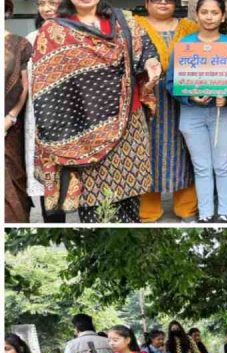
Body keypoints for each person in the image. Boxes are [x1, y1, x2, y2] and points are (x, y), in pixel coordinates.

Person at [32, 0, 161, 223]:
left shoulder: (124, 21)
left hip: (130, 122)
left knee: (131, 195)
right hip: (85, 131)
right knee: (96, 202)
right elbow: (45, 85)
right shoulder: (53, 31)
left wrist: (151, 63)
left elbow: (147, 49)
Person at [167, 0, 227, 223]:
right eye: (204, 12)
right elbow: (171, 82)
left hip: (223, 113)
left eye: (214, 12)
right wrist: (189, 97)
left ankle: (225, 212)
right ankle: (206, 213)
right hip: (192, 113)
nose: (209, 17)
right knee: (202, 167)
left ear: (223, 17)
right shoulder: (184, 45)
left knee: (223, 165)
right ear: (196, 15)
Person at [135, 0, 199, 223]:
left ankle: (186, 207)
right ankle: (148, 210)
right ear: (146, 3)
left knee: (187, 149)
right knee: (148, 150)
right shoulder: (135, 26)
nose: (163, 2)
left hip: (186, 99)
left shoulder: (190, 27)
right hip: (147, 99)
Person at [24, 0, 66, 224]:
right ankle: (53, 222)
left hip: (72, 119)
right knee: (46, 179)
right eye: (42, 3)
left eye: (53, 2)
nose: (47, 8)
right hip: (39, 118)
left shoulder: (79, 35)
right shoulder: (31, 39)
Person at [5, 0, 34, 223]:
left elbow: (24, 87)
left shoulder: (19, 44)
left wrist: (10, 118)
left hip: (8, 128)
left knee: (12, 190)